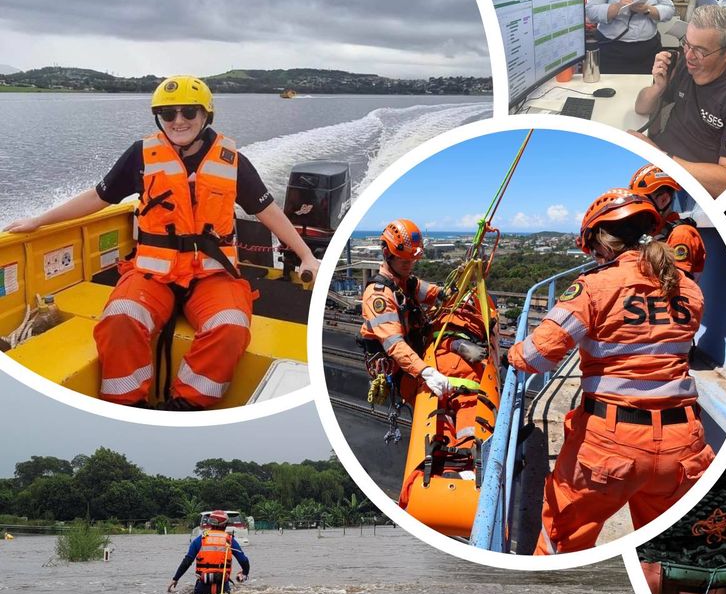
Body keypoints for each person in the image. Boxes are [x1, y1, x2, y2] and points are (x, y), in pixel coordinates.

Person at [4, 76, 320, 410]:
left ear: (206, 115)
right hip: (153, 274)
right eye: (169, 114)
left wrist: (305, 255)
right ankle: (125, 406)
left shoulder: (232, 160)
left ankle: (187, 405)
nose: (178, 120)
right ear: (159, 118)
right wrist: (39, 221)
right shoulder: (141, 155)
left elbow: (267, 211)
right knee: (120, 317)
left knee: (231, 326)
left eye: (188, 112)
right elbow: (99, 197)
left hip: (212, 276)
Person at [508, 188, 712, 554]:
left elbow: (537, 356)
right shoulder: (689, 292)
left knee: (562, 539)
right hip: (684, 443)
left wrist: (511, 353)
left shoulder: (594, 288)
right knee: (661, 551)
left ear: (601, 243)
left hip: (610, 444)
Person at [630, 5, 726, 196]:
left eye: (700, 50)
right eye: (687, 44)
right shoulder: (686, 62)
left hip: (690, 186)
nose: (689, 56)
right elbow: (641, 108)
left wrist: (660, 159)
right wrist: (658, 87)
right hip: (663, 163)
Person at [358, 219, 452, 404]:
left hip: (412, 353)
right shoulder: (379, 296)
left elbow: (434, 293)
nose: (409, 265)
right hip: (400, 367)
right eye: (404, 260)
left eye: (413, 261)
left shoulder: (406, 282)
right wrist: (425, 371)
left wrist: (453, 294)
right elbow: (394, 344)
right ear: (387, 253)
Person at [628, 163, 706, 277]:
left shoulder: (681, 234)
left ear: (664, 199)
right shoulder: (655, 230)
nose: (639, 207)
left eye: (642, 201)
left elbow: (677, 285)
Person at [586, 0, 674, 74]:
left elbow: (670, 10)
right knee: (612, 87)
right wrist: (617, 7)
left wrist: (647, 9)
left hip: (648, 49)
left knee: (649, 86)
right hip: (612, 50)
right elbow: (590, 11)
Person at [168, 510, 249, 594]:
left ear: (210, 523)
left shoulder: (200, 539)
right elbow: (244, 561)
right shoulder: (230, 540)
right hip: (222, 587)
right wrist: (244, 574)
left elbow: (187, 561)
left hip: (202, 587)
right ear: (225, 525)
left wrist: (175, 578)